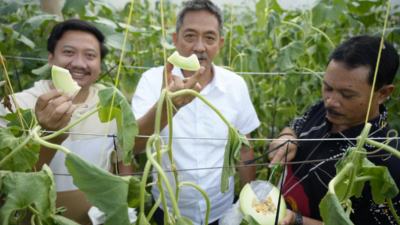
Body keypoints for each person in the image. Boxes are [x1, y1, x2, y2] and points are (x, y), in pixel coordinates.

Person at [131, 0, 260, 224]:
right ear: (175, 39)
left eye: (209, 38)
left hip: (222, 209)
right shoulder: (152, 81)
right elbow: (133, 145)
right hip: (168, 209)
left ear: (219, 44)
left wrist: (247, 204)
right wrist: (168, 106)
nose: (200, 47)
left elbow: (245, 151)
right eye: (190, 36)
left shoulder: (235, 85)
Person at [0, 19, 134, 224]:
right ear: (50, 58)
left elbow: (124, 158)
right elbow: (8, 178)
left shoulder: (113, 102)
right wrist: (48, 135)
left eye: (90, 55)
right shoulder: (16, 105)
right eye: (69, 52)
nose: (79, 63)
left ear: (99, 64)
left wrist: (121, 202)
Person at [269, 34, 400, 225]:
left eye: (347, 94)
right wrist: (287, 137)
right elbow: (295, 126)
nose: (331, 101)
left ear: (383, 93)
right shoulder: (322, 109)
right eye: (327, 88)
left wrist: (297, 221)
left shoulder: (387, 160)